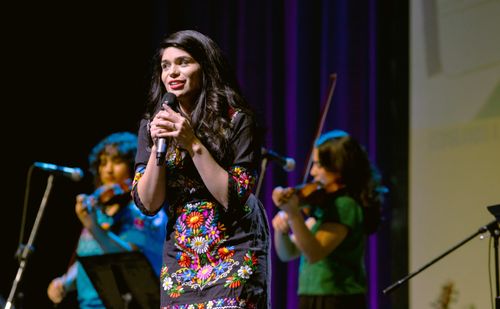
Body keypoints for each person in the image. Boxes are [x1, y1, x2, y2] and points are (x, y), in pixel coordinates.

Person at [132, 29, 270, 308]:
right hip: (182, 254)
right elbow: (147, 204)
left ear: (205, 67)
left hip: (235, 244)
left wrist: (192, 143)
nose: (173, 72)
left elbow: (232, 198)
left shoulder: (236, 121)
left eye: (184, 62)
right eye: (165, 65)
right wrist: (158, 143)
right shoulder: (151, 125)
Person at [47, 132, 167, 308]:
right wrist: (65, 282)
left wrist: (93, 227)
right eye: (103, 163)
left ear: (131, 164)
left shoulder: (143, 212)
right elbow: (89, 255)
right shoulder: (98, 211)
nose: (108, 170)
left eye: (117, 162)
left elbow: (130, 261)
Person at [271, 130, 383, 309]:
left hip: (338, 299)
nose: (313, 172)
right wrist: (281, 230)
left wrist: (293, 215)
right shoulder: (326, 207)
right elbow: (288, 252)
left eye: (319, 165)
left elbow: (314, 252)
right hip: (314, 297)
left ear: (338, 168)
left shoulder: (345, 205)